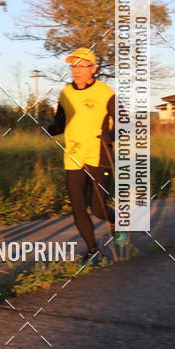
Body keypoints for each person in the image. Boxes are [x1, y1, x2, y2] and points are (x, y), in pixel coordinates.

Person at [47, 47, 122, 263]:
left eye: (81, 66)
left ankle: (116, 222)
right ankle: (92, 251)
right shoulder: (65, 94)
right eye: (73, 66)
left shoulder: (104, 91)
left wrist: (110, 135)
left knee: (98, 209)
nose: (76, 70)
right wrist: (52, 129)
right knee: (78, 208)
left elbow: (124, 121)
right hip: (73, 156)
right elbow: (61, 122)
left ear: (93, 68)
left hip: (100, 155)